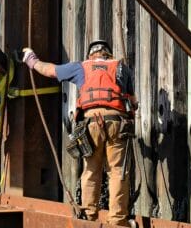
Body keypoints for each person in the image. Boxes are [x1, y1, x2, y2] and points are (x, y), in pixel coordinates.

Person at [22, 40, 135, 226]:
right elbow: (134, 102)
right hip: (117, 122)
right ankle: (117, 221)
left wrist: (31, 59)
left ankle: (89, 218)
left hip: (91, 123)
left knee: (91, 170)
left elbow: (49, 70)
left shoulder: (81, 67)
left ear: (91, 54)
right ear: (108, 53)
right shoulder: (121, 68)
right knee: (118, 172)